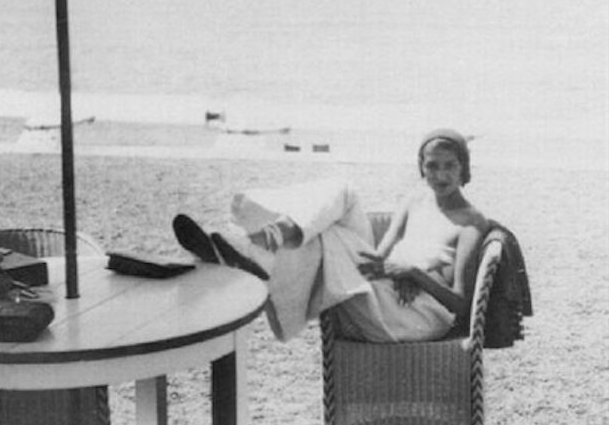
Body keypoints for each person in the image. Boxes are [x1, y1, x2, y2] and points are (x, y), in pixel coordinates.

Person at [173, 128, 489, 343]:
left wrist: (414, 273)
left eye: (450, 166)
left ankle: (255, 249)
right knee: (344, 193)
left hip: (419, 314)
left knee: (327, 233)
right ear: (422, 168)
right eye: (432, 166)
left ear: (465, 169)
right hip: (388, 288)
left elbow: (462, 305)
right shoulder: (412, 202)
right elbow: (379, 257)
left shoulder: (470, 222)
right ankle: (267, 242)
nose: (440, 175)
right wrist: (398, 272)